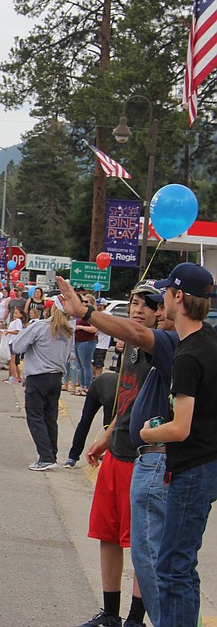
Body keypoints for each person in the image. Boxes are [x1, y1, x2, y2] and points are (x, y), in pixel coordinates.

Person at [57, 276, 167, 627]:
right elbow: (129, 396)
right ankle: (110, 613)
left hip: (145, 460)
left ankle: (136, 617)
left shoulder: (158, 345)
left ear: (161, 311)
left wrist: (86, 311)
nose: (137, 311)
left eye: (146, 306)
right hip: (118, 452)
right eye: (134, 303)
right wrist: (106, 435)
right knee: (107, 534)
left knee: (140, 544)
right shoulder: (131, 347)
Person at [139, 263, 217, 627]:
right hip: (207, 463)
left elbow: (180, 428)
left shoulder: (187, 355)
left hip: (192, 468)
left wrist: (148, 433)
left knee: (172, 566)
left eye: (167, 292)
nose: (162, 300)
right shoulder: (210, 339)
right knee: (181, 564)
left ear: (179, 297)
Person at [12, 297, 73, 471]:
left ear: (52, 308)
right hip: (56, 377)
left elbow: (17, 346)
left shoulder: (40, 326)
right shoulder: (69, 331)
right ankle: (51, 454)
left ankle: (45, 457)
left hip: (38, 376)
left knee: (35, 416)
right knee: (50, 417)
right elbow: (68, 356)